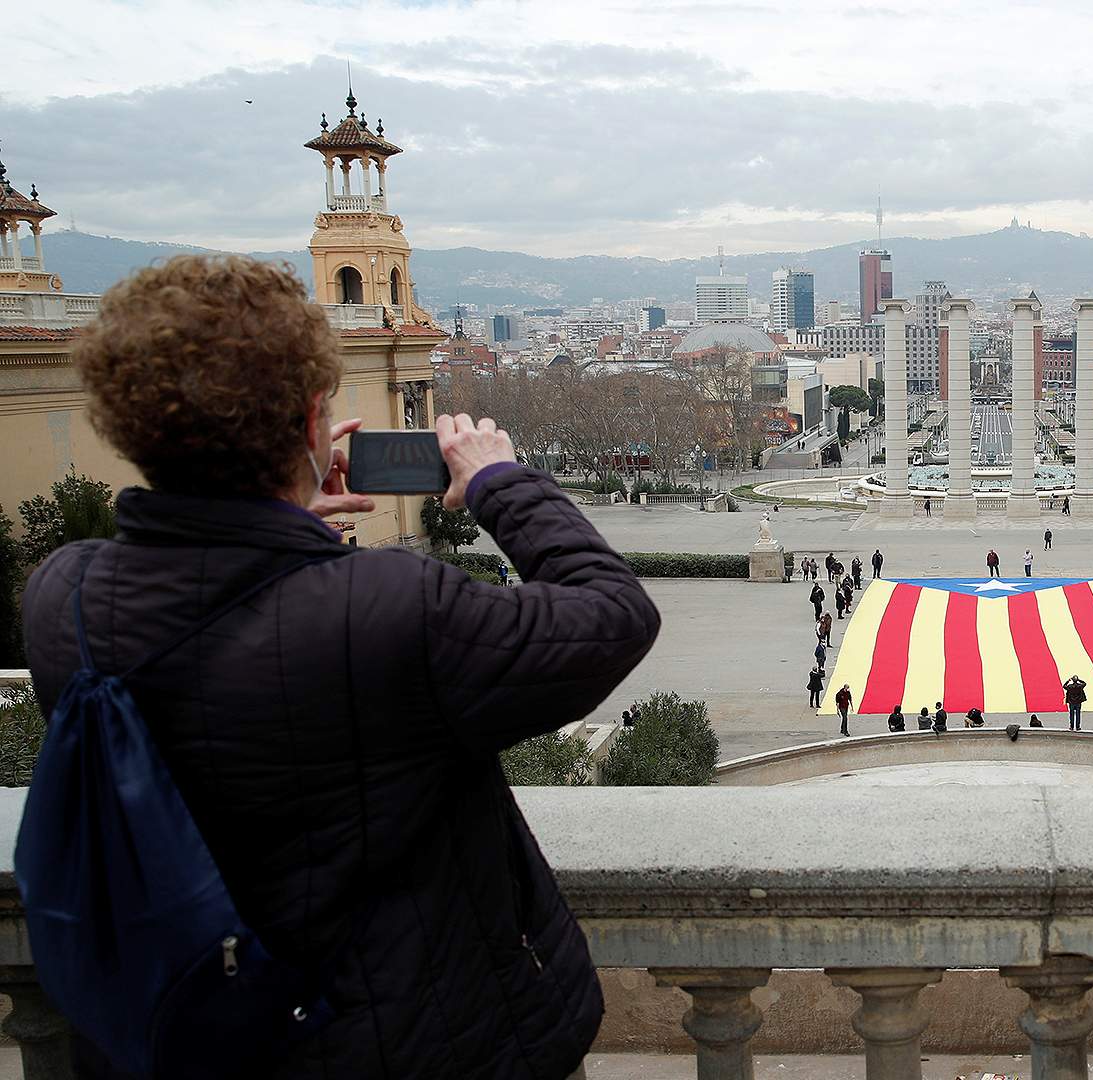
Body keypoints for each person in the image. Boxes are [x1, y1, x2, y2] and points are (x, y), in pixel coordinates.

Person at [19, 255, 659, 1079]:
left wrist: (276, 522)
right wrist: (501, 481)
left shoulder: (62, 598)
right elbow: (613, 614)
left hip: (186, 1035)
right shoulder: (389, 608)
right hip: (414, 1043)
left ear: (124, 423)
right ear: (314, 415)